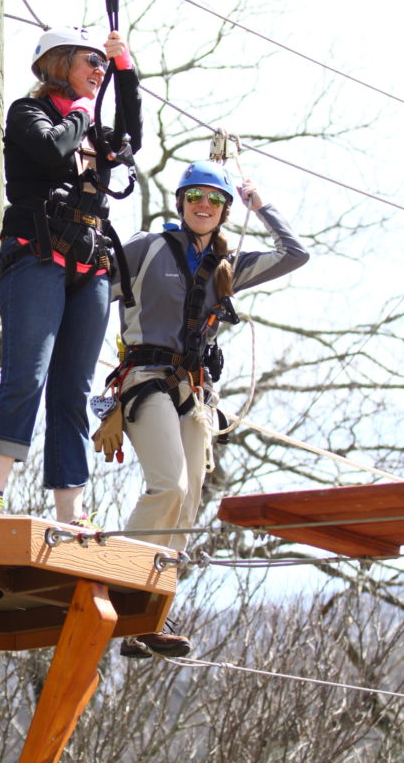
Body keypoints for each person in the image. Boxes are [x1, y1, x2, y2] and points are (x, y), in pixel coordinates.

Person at [109, 159, 309, 658]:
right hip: (146, 378)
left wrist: (258, 205)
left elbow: (295, 253)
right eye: (195, 196)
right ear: (180, 203)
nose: (204, 206)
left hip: (193, 391)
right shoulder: (146, 247)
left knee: (189, 499)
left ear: (224, 211)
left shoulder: (228, 266)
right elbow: (92, 283)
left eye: (215, 200)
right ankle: (118, 586)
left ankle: (149, 613)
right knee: (169, 483)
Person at [0, 25, 143, 525]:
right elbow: (51, 151)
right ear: (59, 63)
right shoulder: (29, 113)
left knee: (72, 389)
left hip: (89, 266)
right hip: (36, 255)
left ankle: (71, 510)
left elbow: (131, 133)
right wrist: (85, 111)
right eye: (90, 62)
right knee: (27, 373)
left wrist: (126, 70)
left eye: (101, 65)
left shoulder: (92, 128)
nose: (98, 71)